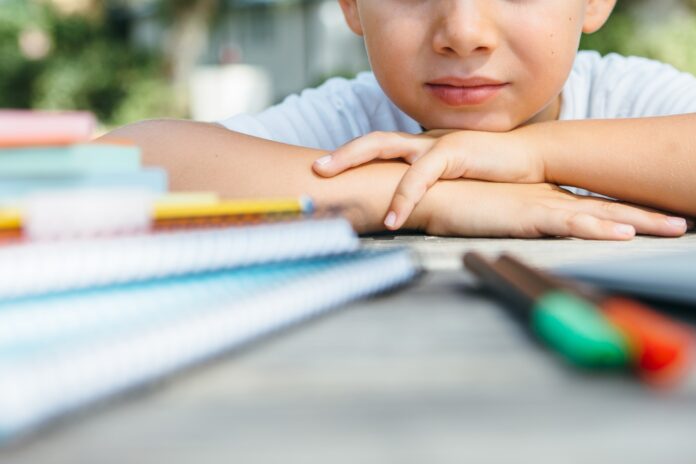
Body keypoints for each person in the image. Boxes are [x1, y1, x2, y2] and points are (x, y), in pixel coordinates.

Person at [102, 0, 696, 240]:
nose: (463, 33)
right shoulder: (351, 123)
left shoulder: (627, 95)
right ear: (352, 4)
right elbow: (117, 163)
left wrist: (534, 154)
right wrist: (424, 193)